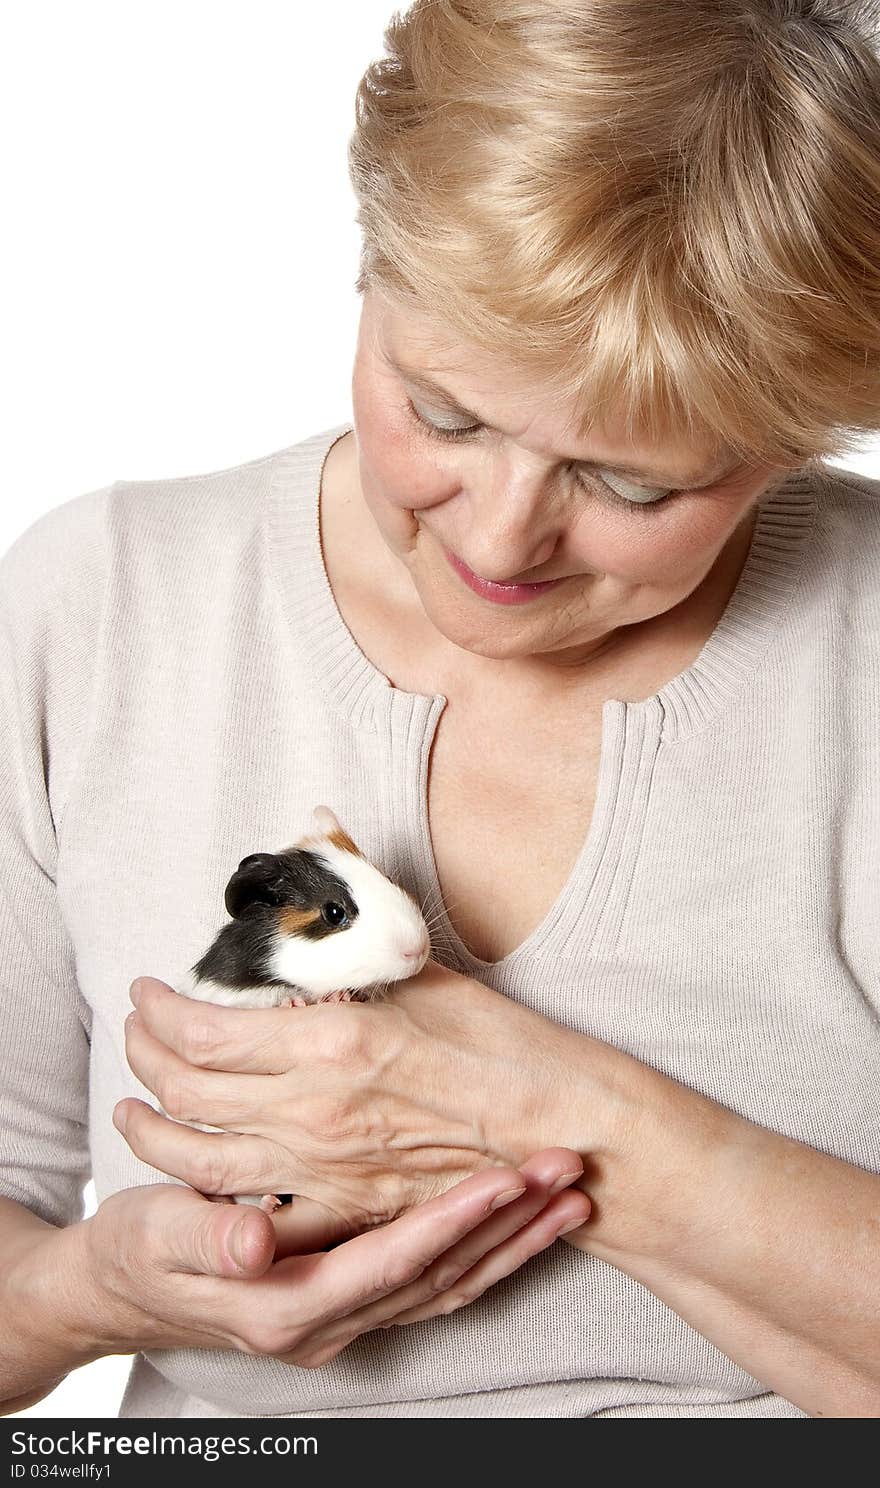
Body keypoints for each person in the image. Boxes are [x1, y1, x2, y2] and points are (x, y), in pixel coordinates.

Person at [2, 0, 880, 1421]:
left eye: (634, 485)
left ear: (793, 442)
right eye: (446, 412)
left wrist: (553, 1116)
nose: (502, 537)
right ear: (369, 264)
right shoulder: (94, 605)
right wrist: (92, 1290)